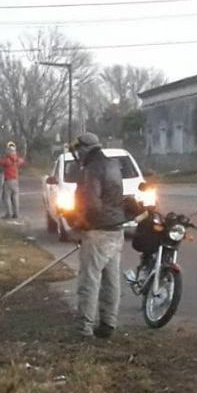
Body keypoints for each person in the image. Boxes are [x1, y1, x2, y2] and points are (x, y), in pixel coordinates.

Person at [66, 132, 126, 339]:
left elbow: (91, 203)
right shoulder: (112, 164)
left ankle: (84, 329)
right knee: (111, 280)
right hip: (116, 230)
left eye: (77, 151)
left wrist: (79, 225)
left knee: (89, 282)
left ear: (83, 149)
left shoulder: (91, 169)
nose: (77, 155)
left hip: (97, 231)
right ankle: (109, 323)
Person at [0, 142, 25, 219]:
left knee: (7, 198)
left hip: (8, 181)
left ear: (8, 151)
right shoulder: (17, 159)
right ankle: (16, 214)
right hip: (15, 181)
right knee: (15, 198)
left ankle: (8, 214)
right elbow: (22, 161)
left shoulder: (6, 160)